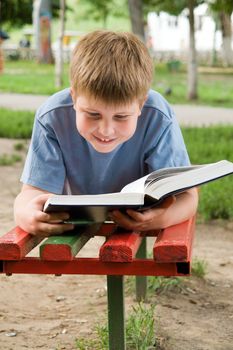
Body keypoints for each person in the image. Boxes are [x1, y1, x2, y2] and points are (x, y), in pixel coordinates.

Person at [14, 30, 198, 237]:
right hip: (73, 213)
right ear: (73, 98)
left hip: (140, 210)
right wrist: (25, 214)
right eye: (93, 114)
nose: (106, 130)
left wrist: (160, 219)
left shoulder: (158, 116)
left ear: (141, 105)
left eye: (121, 117)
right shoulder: (52, 116)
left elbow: (187, 197)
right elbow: (30, 194)